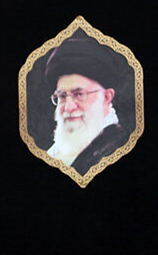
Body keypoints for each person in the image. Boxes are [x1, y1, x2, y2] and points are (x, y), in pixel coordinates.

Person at [43, 34, 129, 173]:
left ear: (106, 97)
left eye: (79, 94)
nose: (68, 107)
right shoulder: (56, 151)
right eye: (62, 96)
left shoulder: (117, 149)